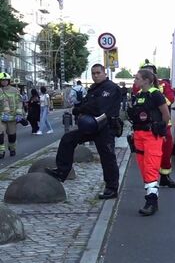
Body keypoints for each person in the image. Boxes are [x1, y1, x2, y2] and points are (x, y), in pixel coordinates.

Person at [46, 64, 123, 199]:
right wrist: (79, 108)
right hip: (91, 126)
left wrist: (80, 110)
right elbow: (85, 102)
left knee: (107, 157)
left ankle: (111, 188)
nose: (95, 75)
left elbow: (99, 106)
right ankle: (62, 171)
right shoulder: (94, 88)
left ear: (105, 73)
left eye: (98, 73)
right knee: (68, 139)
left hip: (106, 127)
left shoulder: (110, 88)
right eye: (93, 73)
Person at [127, 69, 170, 215]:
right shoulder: (138, 95)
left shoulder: (156, 95)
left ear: (146, 80)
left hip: (152, 135)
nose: (135, 81)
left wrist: (161, 130)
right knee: (144, 169)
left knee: (151, 168)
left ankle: (151, 202)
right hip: (139, 135)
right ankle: (151, 198)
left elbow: (166, 114)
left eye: (137, 78)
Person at [140, 62, 175, 188]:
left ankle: (165, 177)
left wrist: (156, 97)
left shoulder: (164, 85)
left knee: (166, 151)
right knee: (148, 154)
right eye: (145, 72)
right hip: (146, 126)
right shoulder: (139, 87)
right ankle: (150, 179)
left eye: (150, 71)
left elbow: (170, 99)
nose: (148, 74)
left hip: (163, 124)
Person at [0, 72, 24, 158]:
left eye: (6, 80)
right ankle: (1, 151)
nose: (4, 82)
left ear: (8, 81)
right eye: (2, 80)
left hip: (12, 117)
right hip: (1, 117)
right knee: (0, 134)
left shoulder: (14, 90)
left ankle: (12, 148)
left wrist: (19, 113)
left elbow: (19, 102)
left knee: (12, 135)